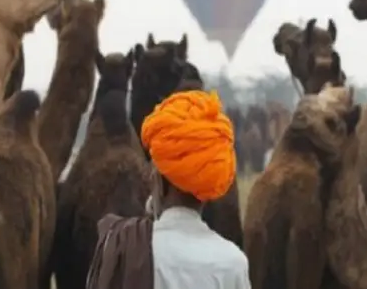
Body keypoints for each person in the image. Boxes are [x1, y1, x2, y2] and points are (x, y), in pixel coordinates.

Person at [86, 90, 251, 289]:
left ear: (161, 183)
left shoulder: (122, 249)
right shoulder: (233, 263)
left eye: (153, 173)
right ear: (207, 189)